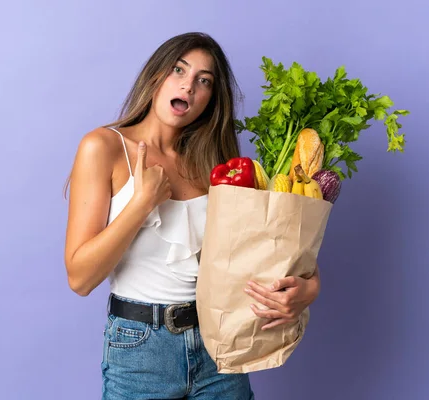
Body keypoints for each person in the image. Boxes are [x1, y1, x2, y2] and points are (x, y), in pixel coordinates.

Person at [63, 32, 322, 399]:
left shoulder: (217, 164)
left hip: (219, 344)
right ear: (156, 76)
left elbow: (267, 250)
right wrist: (141, 203)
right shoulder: (103, 147)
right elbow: (80, 277)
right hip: (141, 352)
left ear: (210, 100)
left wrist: (309, 288)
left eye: (204, 81)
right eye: (178, 70)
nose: (189, 85)